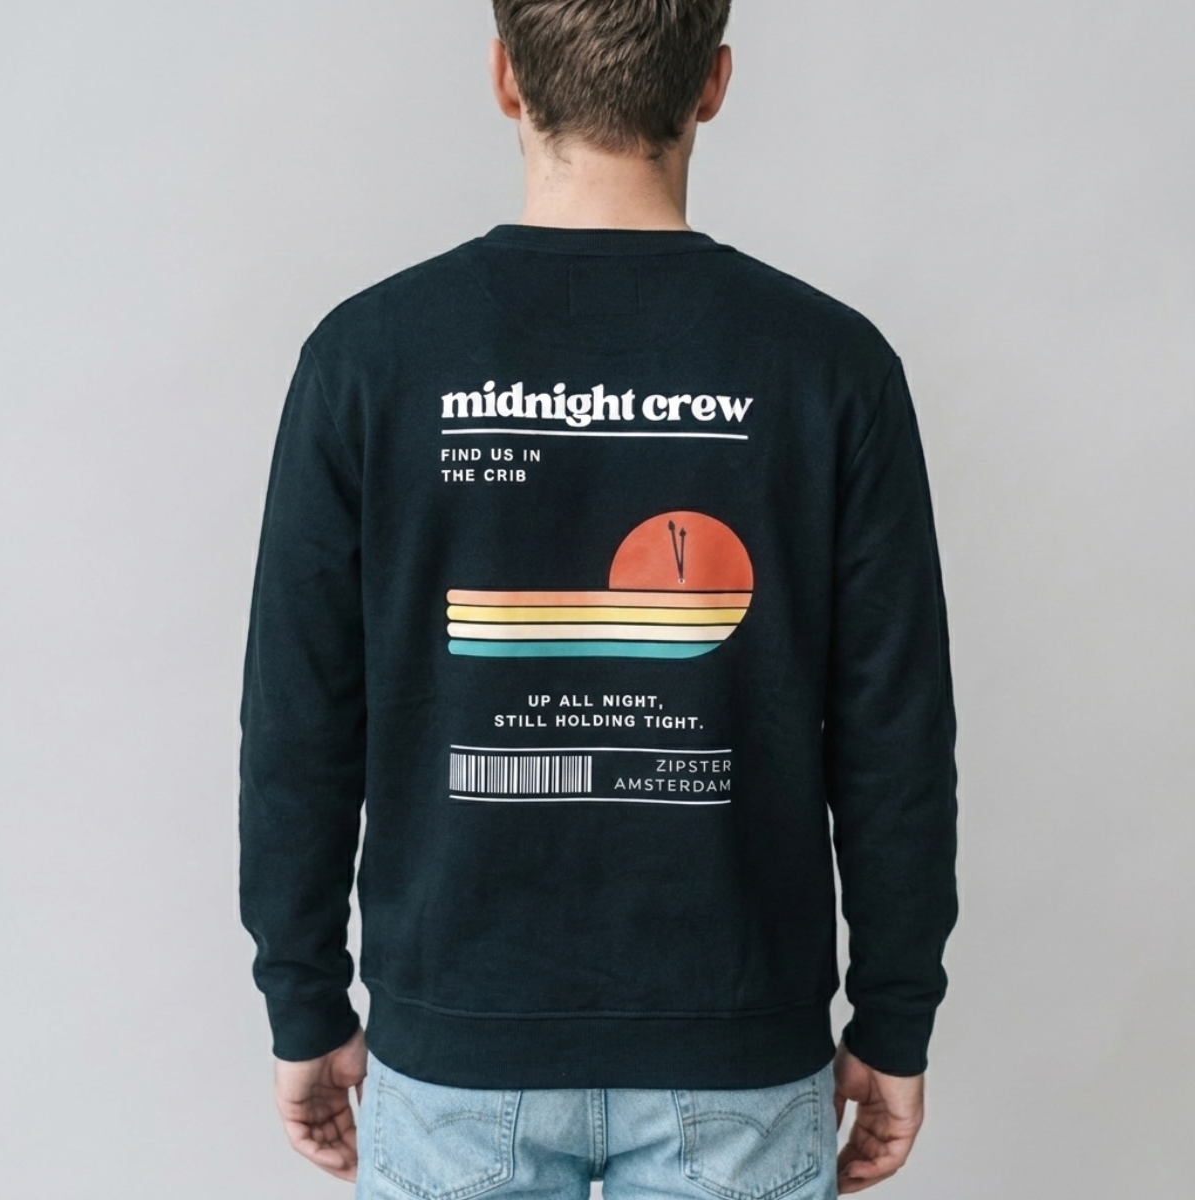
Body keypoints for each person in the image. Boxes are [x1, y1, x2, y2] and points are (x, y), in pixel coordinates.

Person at [237, 2, 959, 1197]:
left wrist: (302, 1000)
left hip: (458, 1047)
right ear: (713, 83)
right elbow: (896, 737)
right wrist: (895, 1018)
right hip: (736, 1050)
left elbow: (297, 721)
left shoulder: (368, 358)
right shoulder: (831, 367)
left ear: (505, 79)